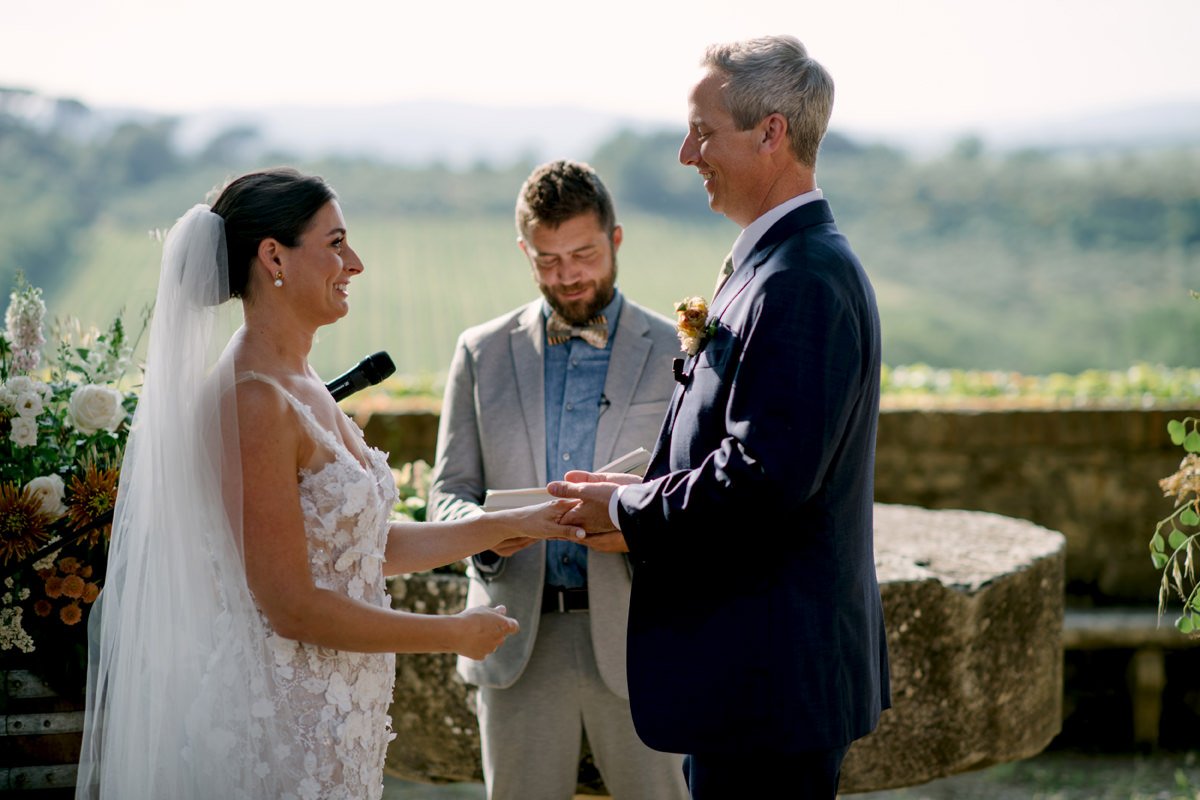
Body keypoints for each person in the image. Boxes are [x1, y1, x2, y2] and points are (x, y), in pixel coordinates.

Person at [75, 167, 582, 800]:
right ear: (273, 257)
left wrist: (505, 524)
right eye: (337, 243)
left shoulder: (302, 380)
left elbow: (356, 546)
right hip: (277, 720)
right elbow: (291, 606)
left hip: (338, 712)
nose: (357, 263)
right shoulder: (251, 401)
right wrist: (452, 631)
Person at [548, 36, 891, 799]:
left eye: (703, 132)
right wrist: (637, 490)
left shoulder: (800, 279)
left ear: (771, 132)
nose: (684, 153)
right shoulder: (773, 265)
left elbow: (764, 479)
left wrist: (630, 508)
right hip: (750, 678)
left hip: (767, 684)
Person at [428, 160, 688, 800]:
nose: (568, 275)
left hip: (643, 639)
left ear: (616, 239)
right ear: (524, 250)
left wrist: (639, 525)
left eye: (583, 253)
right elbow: (447, 494)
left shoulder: (680, 350)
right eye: (547, 260)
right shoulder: (479, 352)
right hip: (516, 640)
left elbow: (697, 493)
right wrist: (487, 533)